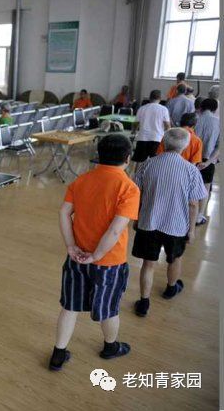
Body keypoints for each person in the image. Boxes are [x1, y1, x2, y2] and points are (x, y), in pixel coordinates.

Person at [48, 134, 139, 371]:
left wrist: (71, 246)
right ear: (127, 158)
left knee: (70, 306)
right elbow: (115, 230)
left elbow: (63, 213)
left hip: (77, 257)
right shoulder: (129, 188)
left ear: (99, 155)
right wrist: (97, 256)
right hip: (109, 262)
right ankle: (110, 347)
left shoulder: (81, 180)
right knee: (109, 308)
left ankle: (58, 354)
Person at [132, 128, 207, 317]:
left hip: (149, 222)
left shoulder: (147, 164)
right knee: (174, 259)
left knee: (148, 263)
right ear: (185, 146)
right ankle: (171, 288)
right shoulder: (191, 170)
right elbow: (193, 204)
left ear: (163, 143)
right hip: (176, 226)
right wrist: (191, 230)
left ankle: (143, 303)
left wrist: (137, 218)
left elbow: (137, 194)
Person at [194, 98, 220, 226]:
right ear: (215, 109)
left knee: (189, 186)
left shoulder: (194, 119)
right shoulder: (218, 122)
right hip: (207, 159)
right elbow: (219, 146)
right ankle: (199, 216)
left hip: (191, 158)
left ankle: (186, 213)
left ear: (201, 107)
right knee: (205, 187)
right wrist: (208, 162)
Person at [131, 90, 170, 165]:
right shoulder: (164, 109)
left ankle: (137, 173)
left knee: (139, 162)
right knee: (156, 163)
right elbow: (167, 126)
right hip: (157, 138)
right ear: (160, 98)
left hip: (142, 138)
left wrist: (134, 131)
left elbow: (136, 123)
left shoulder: (142, 108)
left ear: (149, 98)